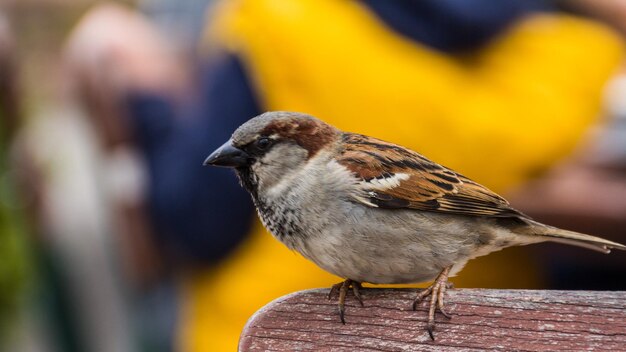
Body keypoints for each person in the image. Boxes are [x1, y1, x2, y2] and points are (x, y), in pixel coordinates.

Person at [64, 0, 623, 350]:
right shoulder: (567, 43)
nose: (241, 159)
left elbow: (191, 221)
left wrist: (140, 101)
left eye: (258, 149)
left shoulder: (279, 24)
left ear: (298, 148)